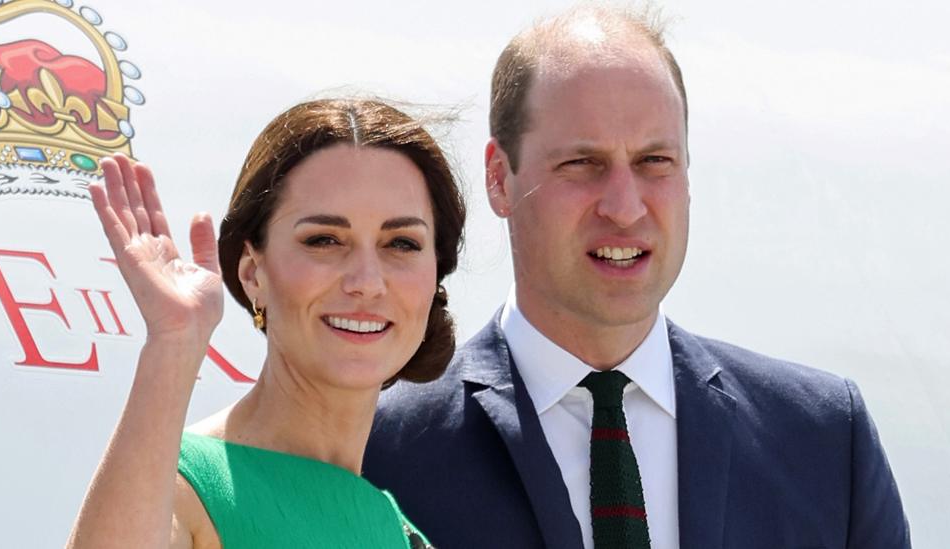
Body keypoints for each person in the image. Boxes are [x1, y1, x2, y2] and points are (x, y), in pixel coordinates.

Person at [363, 6, 910, 549]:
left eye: (654, 161)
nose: (624, 208)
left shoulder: (826, 441)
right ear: (500, 179)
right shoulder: (380, 453)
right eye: (582, 163)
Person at [67, 98, 465, 548]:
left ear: (436, 273)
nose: (367, 282)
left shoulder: (399, 530)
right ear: (252, 272)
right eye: (325, 240)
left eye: (401, 244)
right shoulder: (183, 488)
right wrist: (173, 345)